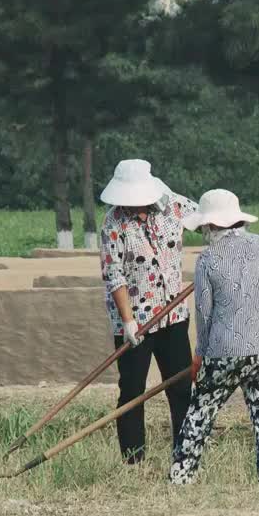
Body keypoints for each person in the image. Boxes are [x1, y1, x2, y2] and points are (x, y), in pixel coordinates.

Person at [169, 189, 259, 485]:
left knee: (199, 414)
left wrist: (199, 355)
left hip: (223, 350)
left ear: (210, 226)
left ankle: (181, 478)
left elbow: (205, 314)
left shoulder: (207, 260)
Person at [98, 159, 197, 465]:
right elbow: (114, 275)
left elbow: (207, 218)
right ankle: (134, 460)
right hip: (135, 323)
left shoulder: (171, 207)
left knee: (181, 386)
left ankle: (185, 455)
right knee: (132, 391)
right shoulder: (113, 225)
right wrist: (128, 321)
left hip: (173, 316)